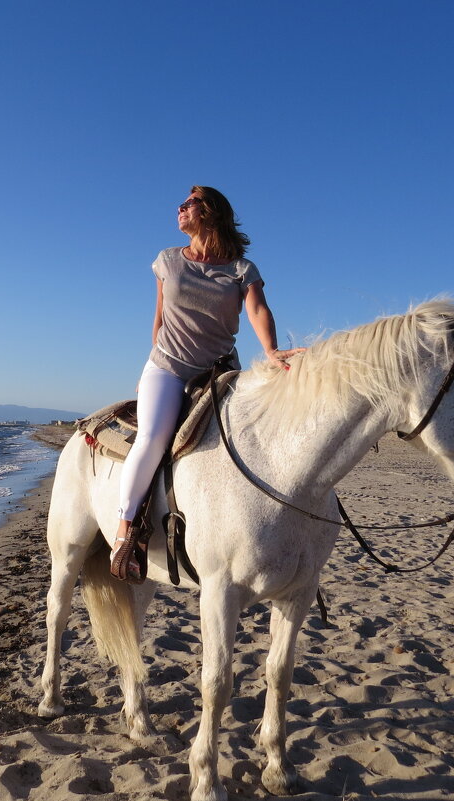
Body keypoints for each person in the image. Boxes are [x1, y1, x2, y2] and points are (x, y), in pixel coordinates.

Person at [110, 186, 305, 582]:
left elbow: (257, 308)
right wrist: (152, 366)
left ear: (210, 212)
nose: (179, 208)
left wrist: (270, 350)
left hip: (219, 370)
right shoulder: (168, 260)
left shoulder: (240, 268)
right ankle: (126, 530)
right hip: (169, 366)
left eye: (189, 203)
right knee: (152, 439)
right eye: (181, 204)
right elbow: (160, 318)